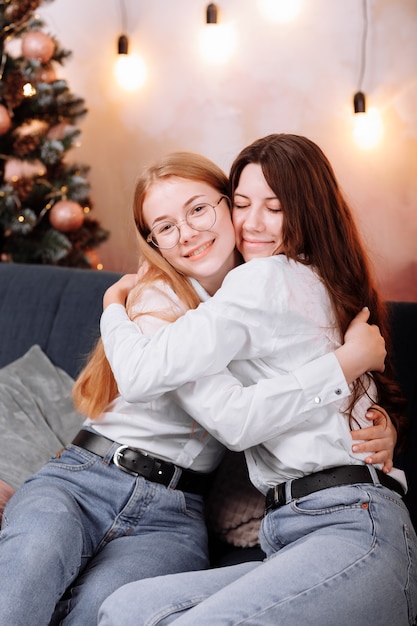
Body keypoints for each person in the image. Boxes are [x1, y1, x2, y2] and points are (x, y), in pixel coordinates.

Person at [0, 151, 391, 626]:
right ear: (155, 244)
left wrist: (378, 427)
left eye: (198, 209)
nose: (186, 234)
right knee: (25, 577)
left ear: (228, 206)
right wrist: (111, 304)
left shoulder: (272, 294)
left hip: (174, 513)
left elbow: (317, 404)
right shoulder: (158, 299)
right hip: (85, 478)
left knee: (104, 609)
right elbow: (227, 415)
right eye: (164, 227)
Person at [97, 134, 417, 625]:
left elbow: (144, 376)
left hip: (350, 523)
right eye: (243, 204)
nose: (252, 223)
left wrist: (113, 308)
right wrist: (347, 366)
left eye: (275, 207)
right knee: (123, 609)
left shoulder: (264, 280)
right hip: (296, 530)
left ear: (306, 212)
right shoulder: (289, 282)